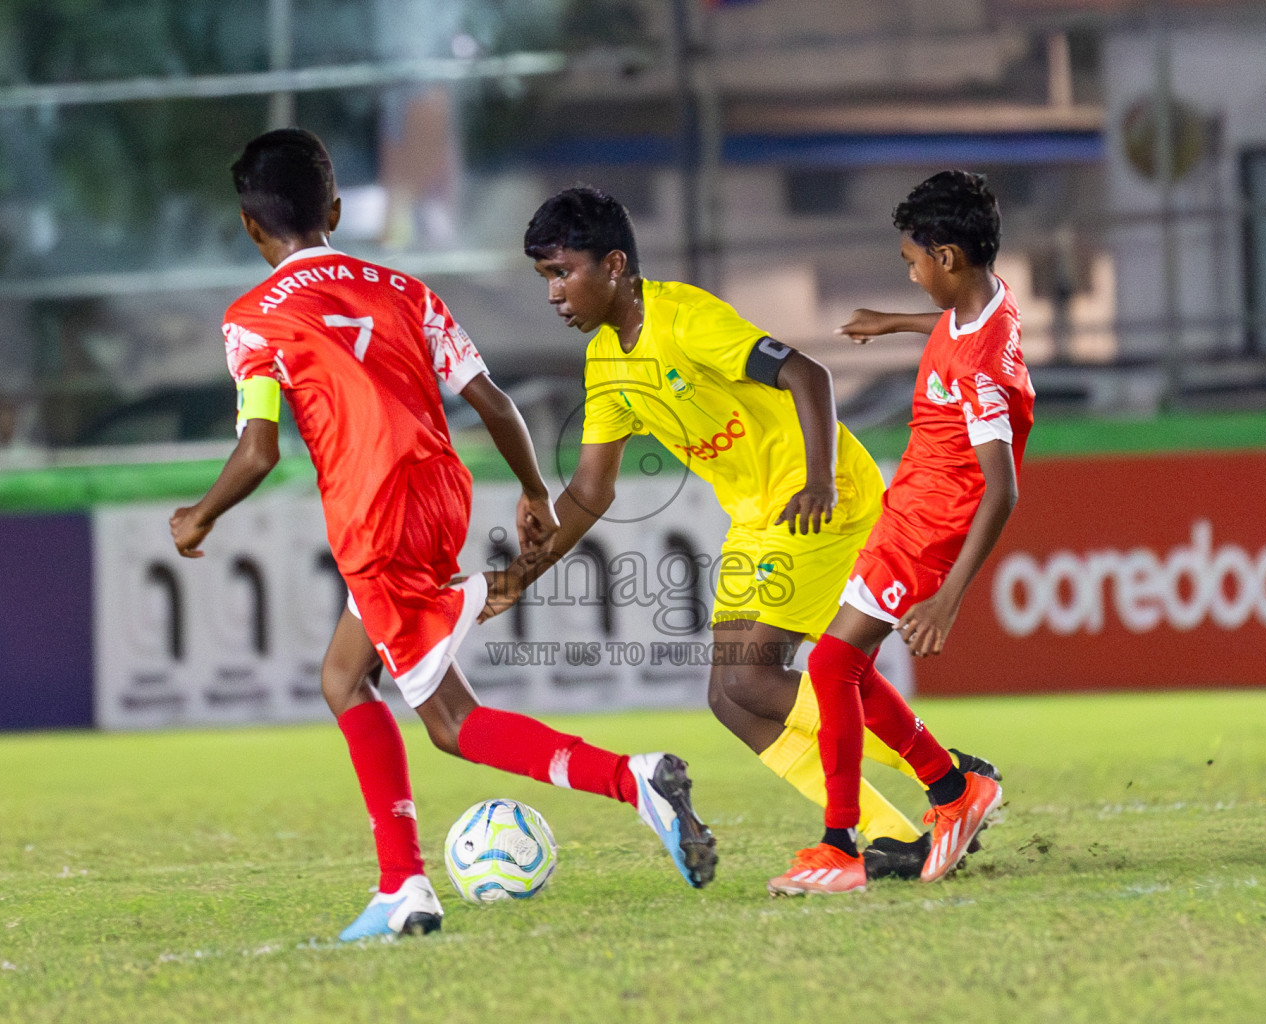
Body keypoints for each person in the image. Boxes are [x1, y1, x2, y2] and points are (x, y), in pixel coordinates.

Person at [169, 130, 715, 943]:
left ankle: (630, 782)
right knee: (344, 677)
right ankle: (405, 884)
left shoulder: (253, 319)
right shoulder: (403, 288)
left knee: (451, 722)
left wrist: (200, 515)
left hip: (371, 512)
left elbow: (258, 450)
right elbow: (493, 400)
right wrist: (534, 490)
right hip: (439, 493)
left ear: (252, 227)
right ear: (336, 210)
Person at [501, 185, 998, 884]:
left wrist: (819, 479)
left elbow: (807, 373)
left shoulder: (685, 320)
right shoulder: (607, 362)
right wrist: (519, 578)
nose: (554, 294)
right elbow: (589, 491)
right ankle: (894, 836)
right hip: (757, 519)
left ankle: (947, 782)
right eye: (545, 279)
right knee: (730, 700)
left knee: (753, 676)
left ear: (614, 265)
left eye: (562, 273)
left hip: (815, 498)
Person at [767, 170, 1032, 895]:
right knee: (845, 664)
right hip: (911, 506)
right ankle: (952, 792)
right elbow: (956, 325)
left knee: (830, 666)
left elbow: (1002, 489)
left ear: (948, 257)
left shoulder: (981, 369)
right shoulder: (985, 306)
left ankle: (841, 845)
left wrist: (947, 596)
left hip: (933, 527)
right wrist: (895, 322)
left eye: (913, 261)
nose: (912, 274)